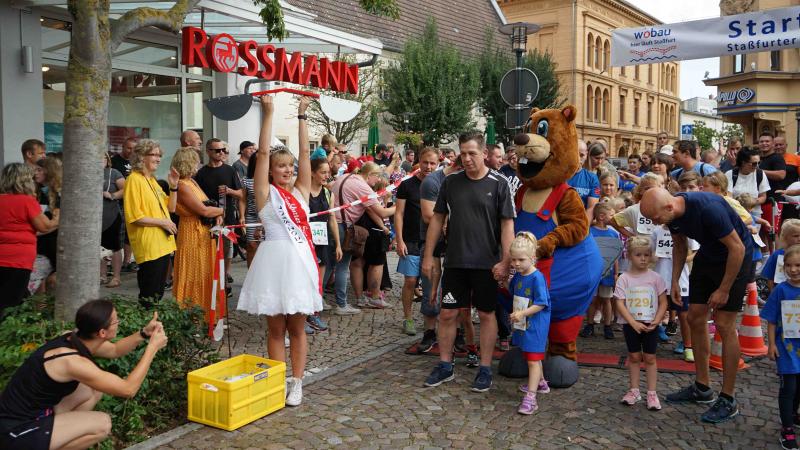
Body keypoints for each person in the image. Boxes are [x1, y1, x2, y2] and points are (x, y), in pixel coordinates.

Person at [640, 187, 755, 423]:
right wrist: (674, 280)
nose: (654, 223)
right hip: (708, 257)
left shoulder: (708, 209)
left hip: (735, 259)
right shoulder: (672, 215)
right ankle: (702, 387)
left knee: (724, 324)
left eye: (656, 218)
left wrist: (724, 289)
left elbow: (738, 248)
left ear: (669, 207)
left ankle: (728, 398)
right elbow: (679, 245)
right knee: (694, 317)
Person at [237, 95, 322, 406]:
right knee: (275, 329)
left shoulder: (301, 191)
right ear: (270, 171)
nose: (287, 170)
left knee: (297, 328)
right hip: (272, 263)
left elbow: (305, 153)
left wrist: (302, 116)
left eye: (290, 166)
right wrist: (268, 111)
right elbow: (262, 152)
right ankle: (277, 381)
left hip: (297, 263)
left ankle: (297, 383)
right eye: (280, 166)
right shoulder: (264, 193)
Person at [0, 299, 167, 450]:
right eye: (116, 321)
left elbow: (115, 350)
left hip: (37, 414)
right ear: (102, 333)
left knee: (92, 389)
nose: (119, 323)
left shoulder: (73, 338)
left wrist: (144, 333)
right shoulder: (72, 362)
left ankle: (57, 436)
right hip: (15, 431)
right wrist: (152, 348)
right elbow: (128, 389)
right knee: (102, 424)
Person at [421, 131, 515, 392]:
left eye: (472, 153)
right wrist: (428, 256)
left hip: (487, 263)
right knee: (448, 313)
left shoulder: (499, 183)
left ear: (484, 153)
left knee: (486, 314)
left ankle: (485, 368)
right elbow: (437, 220)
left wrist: (506, 261)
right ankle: (445, 365)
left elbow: (507, 226)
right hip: (455, 261)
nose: (467, 158)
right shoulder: (451, 182)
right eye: (463, 153)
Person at [331, 160, 395, 315]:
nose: (378, 180)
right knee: (342, 267)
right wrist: (399, 206)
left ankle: (320, 301)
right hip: (343, 226)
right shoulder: (362, 187)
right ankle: (341, 304)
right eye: (377, 177)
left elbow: (370, 210)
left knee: (330, 265)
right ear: (370, 174)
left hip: (334, 223)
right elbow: (382, 212)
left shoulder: (345, 177)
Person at [614, 236, 668, 410]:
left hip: (651, 324)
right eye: (638, 255)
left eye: (646, 255)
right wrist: (632, 322)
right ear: (630, 256)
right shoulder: (624, 278)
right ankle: (634, 390)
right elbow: (619, 302)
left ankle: (652, 393)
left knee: (650, 357)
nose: (643, 259)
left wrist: (657, 320)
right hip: (631, 325)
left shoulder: (656, 278)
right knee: (634, 356)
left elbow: (663, 302)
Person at [123, 140, 179, 304]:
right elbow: (136, 217)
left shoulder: (151, 180)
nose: (158, 158)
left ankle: (153, 320)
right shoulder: (134, 179)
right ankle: (147, 320)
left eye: (159, 155)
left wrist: (174, 187)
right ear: (141, 156)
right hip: (149, 245)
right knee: (149, 295)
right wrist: (163, 223)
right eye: (154, 154)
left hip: (162, 244)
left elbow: (171, 208)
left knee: (157, 293)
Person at [171, 147, 224, 319]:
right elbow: (203, 210)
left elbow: (208, 205)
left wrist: (216, 214)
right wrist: (221, 211)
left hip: (204, 231)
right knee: (193, 272)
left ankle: (206, 313)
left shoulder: (192, 182)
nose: (198, 165)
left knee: (205, 272)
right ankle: (191, 315)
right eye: (195, 162)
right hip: (191, 233)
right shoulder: (182, 185)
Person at [0, 163, 58, 314]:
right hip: (18, 259)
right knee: (10, 304)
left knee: (13, 297)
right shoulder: (26, 201)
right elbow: (45, 227)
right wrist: (58, 217)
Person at [506, 232, 550, 415]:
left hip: (535, 324)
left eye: (521, 260)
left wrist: (522, 313)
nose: (516, 264)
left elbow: (542, 303)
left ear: (533, 258)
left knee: (533, 359)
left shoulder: (537, 278)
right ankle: (541, 383)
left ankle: (531, 399)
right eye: (513, 259)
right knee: (531, 355)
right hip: (523, 323)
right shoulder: (519, 275)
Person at [396, 147, 439, 335]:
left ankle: (430, 319)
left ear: (438, 164)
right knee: (411, 281)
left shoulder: (441, 184)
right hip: (411, 239)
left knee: (431, 282)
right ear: (418, 162)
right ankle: (408, 318)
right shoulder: (407, 185)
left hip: (433, 241)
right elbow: (399, 213)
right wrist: (399, 240)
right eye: (425, 162)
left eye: (432, 163)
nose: (428, 167)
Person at [761, 244, 800, 449]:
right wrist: (771, 345)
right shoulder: (781, 290)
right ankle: (787, 429)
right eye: (789, 265)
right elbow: (771, 320)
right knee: (788, 388)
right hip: (786, 348)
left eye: (798, 265)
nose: (793, 270)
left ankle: (793, 414)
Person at [194, 139, 243, 284]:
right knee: (209, 248)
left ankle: (225, 275)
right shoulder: (201, 173)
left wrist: (229, 191)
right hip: (207, 218)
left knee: (227, 248)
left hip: (227, 217)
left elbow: (241, 194)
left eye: (223, 150)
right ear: (208, 152)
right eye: (217, 150)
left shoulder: (230, 170)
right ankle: (210, 276)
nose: (221, 153)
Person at [307, 157, 340, 331]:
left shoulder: (328, 194)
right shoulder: (302, 191)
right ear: (312, 173)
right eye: (323, 172)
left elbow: (332, 219)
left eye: (328, 172)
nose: (327, 176)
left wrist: (338, 244)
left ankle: (314, 314)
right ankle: (301, 316)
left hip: (323, 240)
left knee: (318, 281)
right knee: (305, 279)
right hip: (305, 242)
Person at [582, 203, 620, 339]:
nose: (614, 218)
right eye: (612, 215)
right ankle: (590, 324)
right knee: (592, 300)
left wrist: (616, 273)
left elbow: (615, 255)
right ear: (602, 216)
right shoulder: (589, 232)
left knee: (606, 299)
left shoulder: (614, 234)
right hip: (592, 272)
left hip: (608, 273)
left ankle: (607, 326)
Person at [101, 153, 125, 288]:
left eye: (103, 157)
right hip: (96, 218)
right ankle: (102, 276)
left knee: (115, 247)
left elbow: (125, 190)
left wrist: (112, 195)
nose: (100, 160)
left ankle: (116, 277)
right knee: (100, 247)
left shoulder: (114, 173)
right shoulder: (88, 172)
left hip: (112, 215)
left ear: (107, 159)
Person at [725, 147, 769, 220]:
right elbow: (728, 196)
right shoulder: (730, 174)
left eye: (759, 163)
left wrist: (751, 202)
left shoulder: (760, 174)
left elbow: (763, 197)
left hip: (754, 214)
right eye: (754, 163)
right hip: (735, 213)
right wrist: (740, 205)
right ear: (743, 162)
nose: (757, 166)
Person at [759, 219, 800, 292]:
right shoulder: (777, 255)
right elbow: (769, 277)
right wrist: (773, 293)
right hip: (781, 293)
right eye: (796, 236)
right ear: (785, 237)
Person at [568, 139, 601, 220]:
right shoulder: (559, 176)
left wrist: (583, 226)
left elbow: (591, 209)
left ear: (586, 156)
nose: (578, 159)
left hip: (581, 222)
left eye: (582, 155)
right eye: (575, 154)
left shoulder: (592, 178)